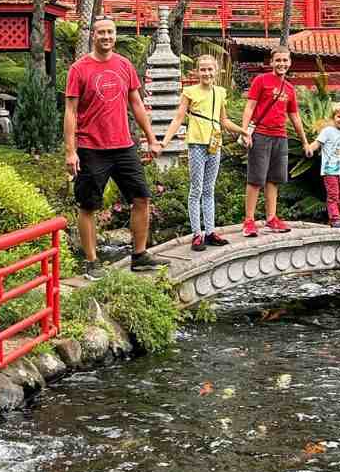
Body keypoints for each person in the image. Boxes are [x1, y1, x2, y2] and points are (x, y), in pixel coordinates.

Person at [64, 16, 166, 278]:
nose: (106, 37)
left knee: (141, 198)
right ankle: (91, 261)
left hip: (123, 146)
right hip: (91, 147)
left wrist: (151, 138)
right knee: (88, 205)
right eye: (101, 33)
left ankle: (139, 255)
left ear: (115, 35)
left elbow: (137, 104)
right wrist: (70, 150)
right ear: (93, 36)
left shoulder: (124, 65)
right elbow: (71, 111)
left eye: (110, 32)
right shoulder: (79, 69)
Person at [159, 54, 250, 252]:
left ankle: (210, 232)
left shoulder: (220, 92)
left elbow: (223, 120)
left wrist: (242, 130)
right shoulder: (190, 92)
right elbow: (178, 118)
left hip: (214, 144)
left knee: (209, 189)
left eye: (210, 69)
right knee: (196, 189)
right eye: (203, 69)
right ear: (197, 72)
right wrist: (164, 141)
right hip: (197, 144)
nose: (206, 73)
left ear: (216, 71)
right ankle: (197, 234)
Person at [238, 45, 310, 237]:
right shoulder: (261, 80)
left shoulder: (290, 89)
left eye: (285, 60)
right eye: (278, 60)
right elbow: (249, 107)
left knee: (274, 180)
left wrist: (304, 142)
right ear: (272, 62)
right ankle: (249, 221)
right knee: (255, 179)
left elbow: (295, 117)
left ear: (290, 62)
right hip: (260, 134)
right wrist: (245, 132)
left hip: (281, 136)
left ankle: (271, 218)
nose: (281, 64)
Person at [305, 101, 340, 228]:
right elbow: (317, 143)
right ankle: (335, 219)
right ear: (333, 117)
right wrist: (310, 148)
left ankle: (334, 220)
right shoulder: (327, 131)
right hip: (330, 170)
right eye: (339, 116)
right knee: (333, 195)